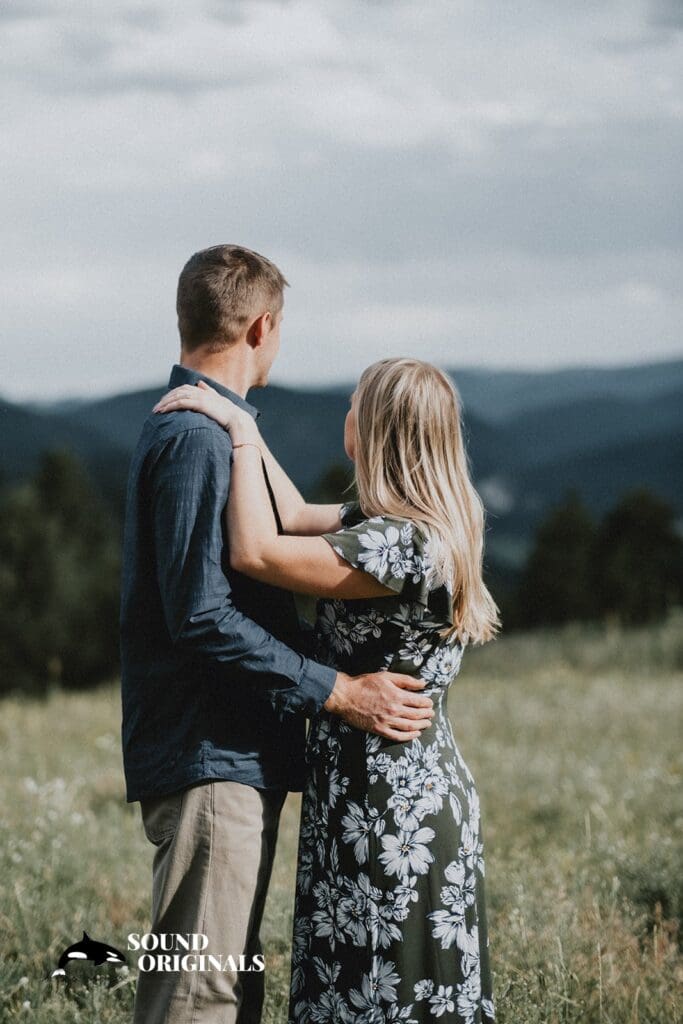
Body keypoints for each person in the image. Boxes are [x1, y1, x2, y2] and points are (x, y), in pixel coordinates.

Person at [120, 245, 435, 1024]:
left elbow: (287, 523)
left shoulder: (211, 430)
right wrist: (337, 692)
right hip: (209, 753)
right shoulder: (195, 440)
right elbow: (198, 615)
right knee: (198, 994)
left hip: (226, 751)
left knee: (226, 984)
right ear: (262, 326)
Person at [155, 355, 500, 1023]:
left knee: (382, 990)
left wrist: (241, 432)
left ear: (373, 432)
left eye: (353, 406)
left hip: (391, 801)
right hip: (373, 784)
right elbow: (285, 513)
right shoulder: (391, 524)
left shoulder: (404, 545)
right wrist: (236, 418)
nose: (344, 416)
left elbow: (257, 550)